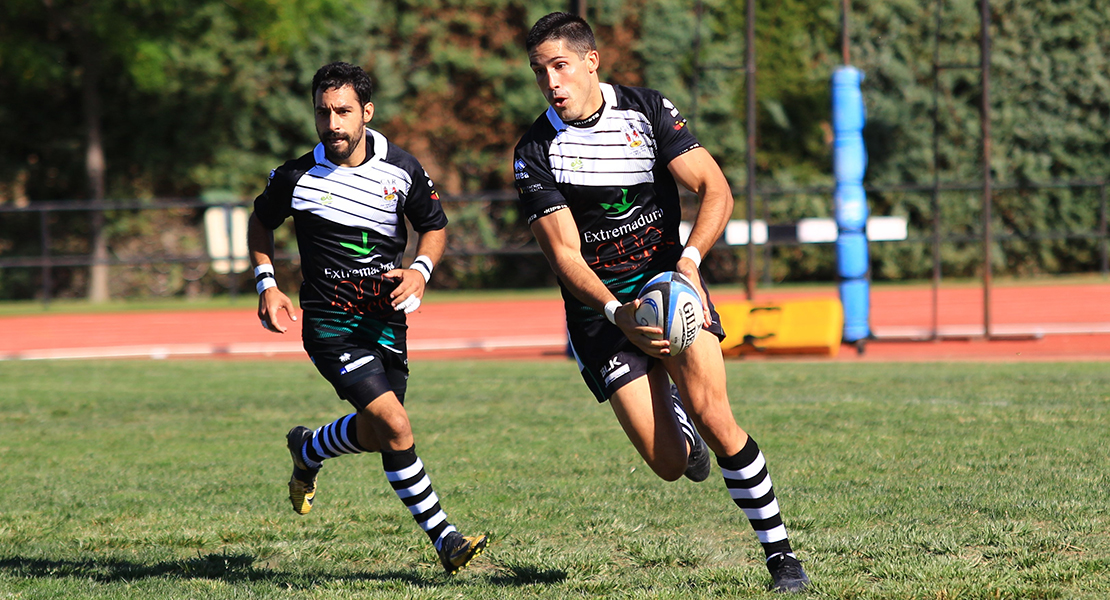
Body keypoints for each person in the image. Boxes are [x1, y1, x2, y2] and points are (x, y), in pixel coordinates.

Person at [513, 13, 809, 593]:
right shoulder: (535, 150)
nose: (551, 82)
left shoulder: (648, 112)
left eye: (560, 66)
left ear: (591, 61)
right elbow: (566, 255)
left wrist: (690, 261)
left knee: (719, 420)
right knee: (672, 465)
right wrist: (615, 312)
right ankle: (673, 412)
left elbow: (715, 188)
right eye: (540, 71)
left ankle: (781, 557)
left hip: (671, 288)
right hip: (601, 313)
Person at [248, 61, 486, 575]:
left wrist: (421, 270)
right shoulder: (295, 176)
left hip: (386, 320)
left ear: (366, 112)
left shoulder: (401, 168)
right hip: (330, 324)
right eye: (322, 112)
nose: (332, 123)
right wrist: (268, 285)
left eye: (342, 111)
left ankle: (308, 447)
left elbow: (434, 227)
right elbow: (260, 224)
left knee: (381, 433)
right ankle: (445, 539)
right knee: (396, 425)